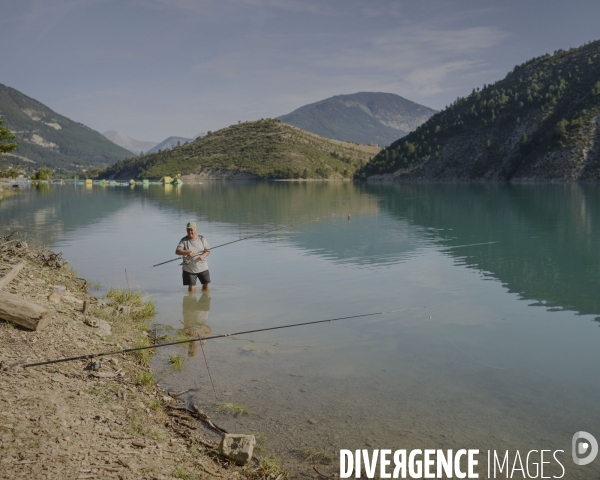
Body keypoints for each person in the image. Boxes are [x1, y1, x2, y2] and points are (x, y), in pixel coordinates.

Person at [175, 222, 211, 291]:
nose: (189, 232)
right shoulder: (183, 240)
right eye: (188, 230)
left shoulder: (201, 238)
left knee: (206, 285)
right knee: (191, 289)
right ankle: (191, 300)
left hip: (202, 267)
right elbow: (177, 251)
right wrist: (187, 252)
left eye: (191, 230)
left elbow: (208, 250)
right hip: (189, 268)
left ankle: (204, 300)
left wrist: (203, 255)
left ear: (196, 230)